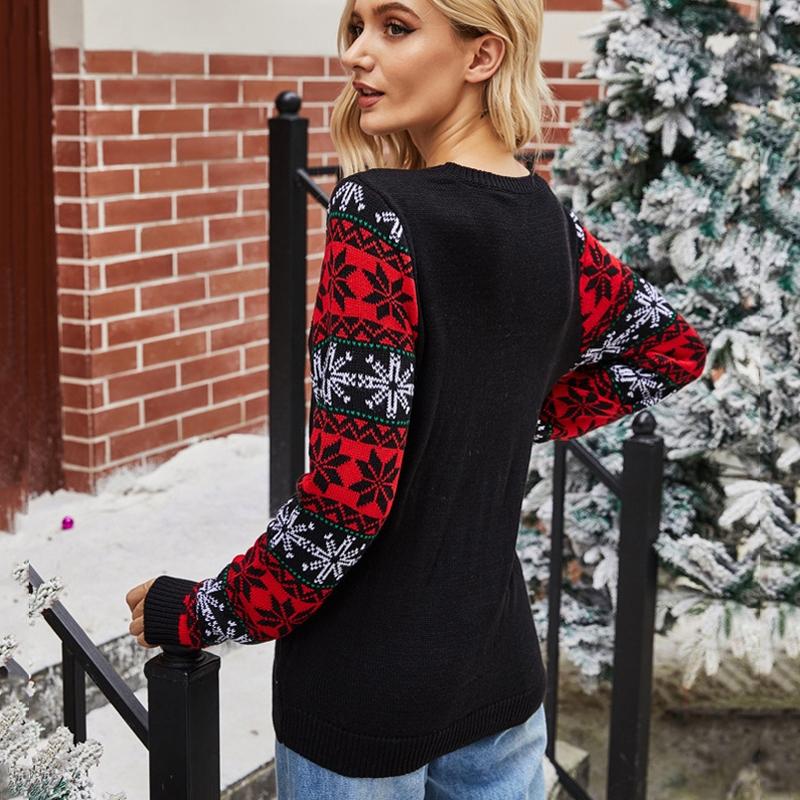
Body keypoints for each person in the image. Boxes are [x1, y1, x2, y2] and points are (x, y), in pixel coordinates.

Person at [125, 0, 709, 797]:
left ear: (481, 56)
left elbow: (344, 506)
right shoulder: (550, 223)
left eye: (395, 27)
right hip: (500, 679)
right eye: (356, 27)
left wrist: (199, 613)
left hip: (365, 695)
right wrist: (502, 418)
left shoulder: (379, 215)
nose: (356, 54)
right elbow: (669, 347)